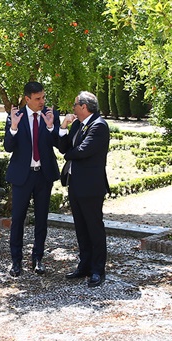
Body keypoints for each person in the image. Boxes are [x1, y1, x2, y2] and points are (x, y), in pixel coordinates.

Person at [3, 81, 61, 277]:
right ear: (27, 99)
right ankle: (16, 261)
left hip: (43, 176)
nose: (42, 102)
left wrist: (52, 126)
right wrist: (13, 128)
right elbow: (8, 147)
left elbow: (60, 144)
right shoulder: (15, 117)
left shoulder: (51, 115)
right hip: (22, 177)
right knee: (18, 220)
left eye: (43, 97)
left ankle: (38, 259)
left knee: (41, 220)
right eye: (38, 99)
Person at [57, 91, 110, 287]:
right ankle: (84, 265)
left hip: (91, 186)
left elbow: (82, 151)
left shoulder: (99, 126)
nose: (72, 108)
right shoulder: (78, 124)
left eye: (75, 104)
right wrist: (63, 127)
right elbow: (63, 147)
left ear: (84, 107)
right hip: (75, 183)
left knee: (94, 228)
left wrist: (69, 154)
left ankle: (98, 270)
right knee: (81, 228)